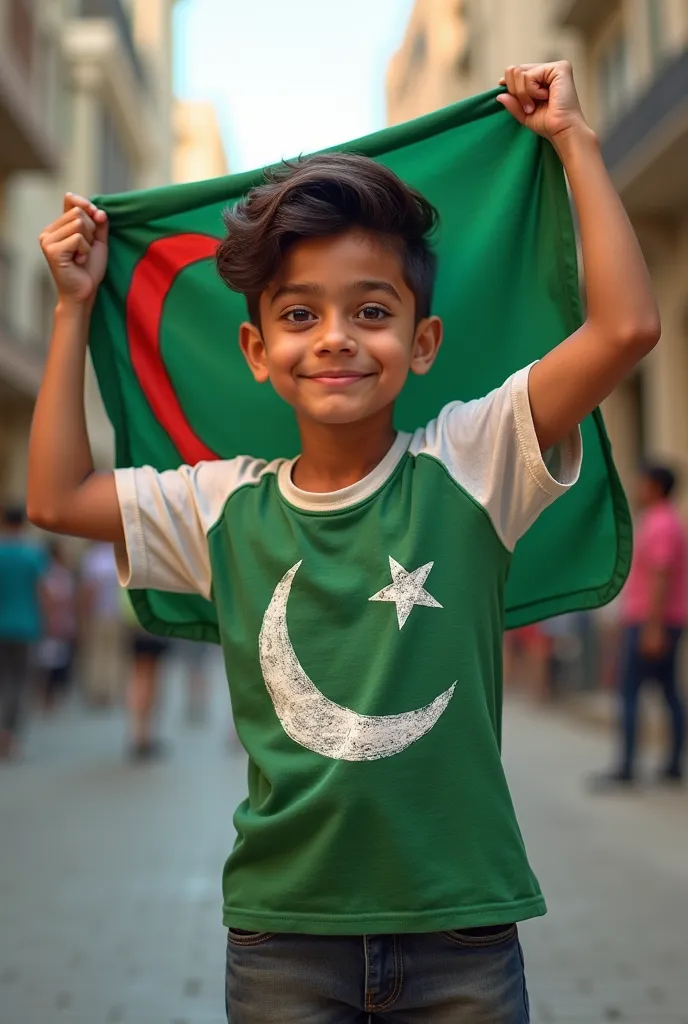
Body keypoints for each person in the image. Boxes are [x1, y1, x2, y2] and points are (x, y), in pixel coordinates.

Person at [27, 62, 661, 1022]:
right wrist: (74, 305)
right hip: (283, 934)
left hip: (464, 929)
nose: (335, 338)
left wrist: (576, 140)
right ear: (256, 352)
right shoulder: (219, 507)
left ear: (424, 340)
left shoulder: (473, 461)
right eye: (299, 315)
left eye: (372, 310)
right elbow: (56, 495)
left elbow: (626, 327)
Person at [592, 465, 686, 788]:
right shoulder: (667, 521)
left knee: (630, 692)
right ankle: (673, 764)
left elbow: (661, 575)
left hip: (651, 621)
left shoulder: (660, 524)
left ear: (656, 487)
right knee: (669, 692)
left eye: (641, 482)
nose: (636, 487)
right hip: (658, 620)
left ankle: (628, 767)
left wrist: (653, 627)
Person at [0, 506, 47, 759]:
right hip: (26, 626)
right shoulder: (32, 554)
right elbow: (43, 592)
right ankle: (11, 735)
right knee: (19, 683)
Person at [120, 587, 169, 760]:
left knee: (139, 676)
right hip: (150, 617)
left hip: (132, 618)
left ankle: (138, 733)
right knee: (149, 679)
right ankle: (143, 734)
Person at [79, 541, 125, 708]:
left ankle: (97, 691)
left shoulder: (93, 556)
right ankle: (111, 692)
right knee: (114, 655)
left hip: (98, 613)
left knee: (96, 655)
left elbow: (88, 588)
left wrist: (84, 613)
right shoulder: (119, 554)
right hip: (117, 613)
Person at [36, 540, 78, 711]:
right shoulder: (50, 574)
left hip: (60, 622)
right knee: (49, 659)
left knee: (57, 659)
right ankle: (47, 694)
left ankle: (52, 694)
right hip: (53, 622)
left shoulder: (59, 573)